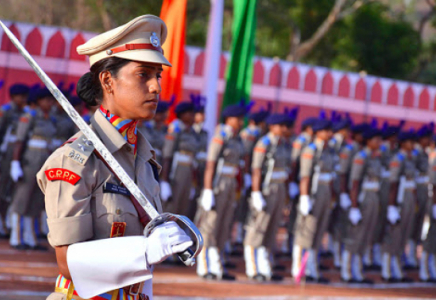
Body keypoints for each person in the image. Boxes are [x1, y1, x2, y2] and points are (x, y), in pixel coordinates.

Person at [36, 15, 193, 300]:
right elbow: (66, 262)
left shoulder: (143, 158)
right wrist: (142, 252)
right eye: (143, 75)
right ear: (107, 80)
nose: (156, 87)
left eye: (157, 76)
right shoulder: (76, 160)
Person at [196, 103, 247, 281]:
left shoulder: (236, 138)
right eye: (238, 118)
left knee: (224, 223)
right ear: (229, 119)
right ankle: (203, 264)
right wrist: (208, 189)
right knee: (210, 224)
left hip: (231, 183)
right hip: (219, 184)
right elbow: (210, 164)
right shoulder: (221, 136)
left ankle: (216, 264)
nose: (241, 121)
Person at [243, 113, 290, 282]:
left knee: (272, 227)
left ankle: (265, 265)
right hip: (266, 189)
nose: (284, 129)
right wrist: (256, 192)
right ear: (272, 126)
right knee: (258, 226)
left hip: (279, 188)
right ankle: (252, 266)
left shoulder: (282, 144)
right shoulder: (264, 143)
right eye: (281, 126)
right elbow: (256, 169)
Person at [8, 87, 56, 250]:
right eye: (47, 100)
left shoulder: (49, 118)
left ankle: (30, 238)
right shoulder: (29, 117)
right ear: (38, 101)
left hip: (44, 160)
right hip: (30, 160)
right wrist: (15, 163)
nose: (50, 103)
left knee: (36, 200)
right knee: (22, 198)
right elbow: (19, 141)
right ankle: (16, 237)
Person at [292, 118, 334, 283]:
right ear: (319, 132)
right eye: (327, 130)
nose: (330, 134)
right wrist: (304, 197)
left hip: (325, 192)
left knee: (318, 231)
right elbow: (305, 176)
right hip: (313, 193)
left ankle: (312, 268)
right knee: (306, 231)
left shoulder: (328, 150)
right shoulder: (311, 150)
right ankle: (299, 268)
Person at [341, 127, 382, 283]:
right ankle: (346, 271)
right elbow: (355, 183)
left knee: (365, 236)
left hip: (373, 197)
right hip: (363, 198)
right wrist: (354, 207)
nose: (379, 143)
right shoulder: (361, 157)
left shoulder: (376, 157)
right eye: (376, 140)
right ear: (368, 141)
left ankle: (358, 271)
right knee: (355, 236)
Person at [381, 130, 416, 283]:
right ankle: (386, 270)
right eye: (410, 142)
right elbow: (393, 184)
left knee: (403, 236)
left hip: (408, 198)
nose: (412, 145)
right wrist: (391, 206)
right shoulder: (398, 159)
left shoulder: (410, 159)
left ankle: (397, 269)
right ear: (403, 143)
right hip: (399, 200)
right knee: (393, 236)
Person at [372, 120, 403, 268]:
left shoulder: (396, 151)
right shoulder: (383, 149)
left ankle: (379, 251)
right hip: (382, 185)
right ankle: (371, 251)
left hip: (393, 185)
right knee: (377, 220)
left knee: (386, 222)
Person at [160, 102, 200, 217]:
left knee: (183, 208)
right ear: (182, 115)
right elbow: (167, 155)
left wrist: (193, 182)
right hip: (176, 172)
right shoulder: (175, 129)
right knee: (172, 206)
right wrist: (165, 181)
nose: (193, 117)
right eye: (190, 114)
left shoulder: (192, 132)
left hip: (188, 172)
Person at [0, 83, 29, 238]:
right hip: (5, 153)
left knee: (10, 190)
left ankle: (4, 221)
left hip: (17, 155)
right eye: (21, 96)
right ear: (13, 97)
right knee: (2, 186)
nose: (23, 99)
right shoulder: (6, 111)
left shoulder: (25, 112)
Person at [405, 124, 432, 269]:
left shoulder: (426, 154)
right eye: (426, 138)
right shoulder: (414, 154)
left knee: (420, 224)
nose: (428, 141)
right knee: (411, 224)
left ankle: (413, 255)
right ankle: (408, 255)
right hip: (415, 191)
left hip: (424, 191)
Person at [420, 134, 436, 282]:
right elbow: (434, 185)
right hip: (434, 202)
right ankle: (424, 269)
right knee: (429, 236)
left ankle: (432, 268)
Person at [139, 98, 170, 165]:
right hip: (147, 158)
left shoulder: (165, 128)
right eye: (161, 113)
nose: (165, 116)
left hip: (160, 160)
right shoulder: (147, 126)